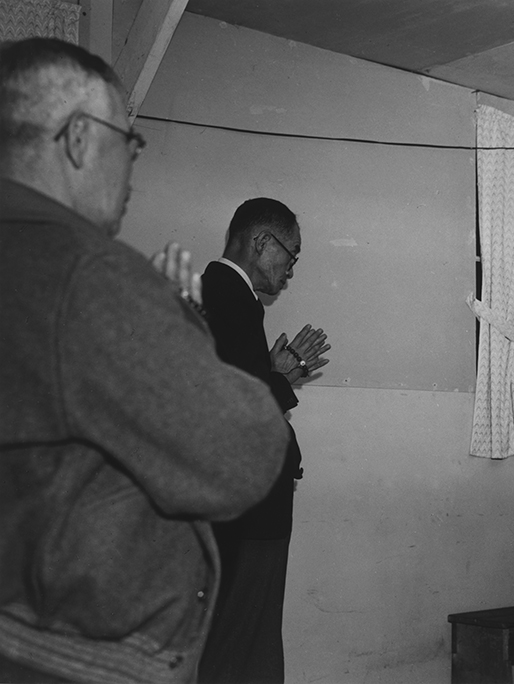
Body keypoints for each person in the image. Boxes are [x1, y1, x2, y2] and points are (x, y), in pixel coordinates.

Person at [0, 37, 290, 683]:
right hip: (83, 656)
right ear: (78, 139)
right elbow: (243, 455)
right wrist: (180, 319)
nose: (132, 168)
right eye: (127, 142)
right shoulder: (89, 274)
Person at [198, 198, 330, 683]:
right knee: (242, 641)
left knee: (240, 637)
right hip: (247, 514)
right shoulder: (227, 296)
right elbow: (229, 409)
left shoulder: (221, 293)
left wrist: (271, 374)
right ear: (260, 242)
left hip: (239, 508)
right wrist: (279, 380)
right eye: (290, 254)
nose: (291, 269)